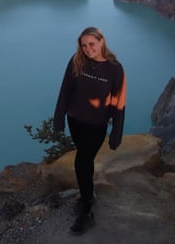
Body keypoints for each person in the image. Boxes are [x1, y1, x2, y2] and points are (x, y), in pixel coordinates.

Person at [53, 26, 126, 234]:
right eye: (84, 45)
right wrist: (59, 118)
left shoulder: (115, 68)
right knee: (85, 163)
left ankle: (86, 211)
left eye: (91, 44)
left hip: (96, 126)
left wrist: (116, 131)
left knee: (81, 162)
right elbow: (65, 89)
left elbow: (119, 102)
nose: (87, 49)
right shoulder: (77, 61)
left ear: (101, 41)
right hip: (75, 121)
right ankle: (88, 194)